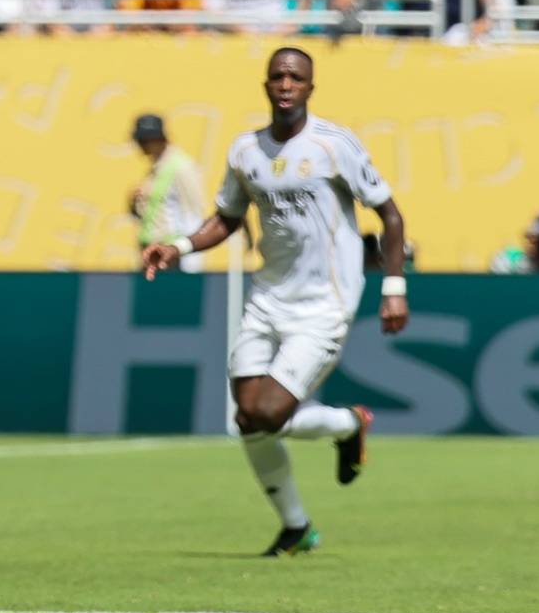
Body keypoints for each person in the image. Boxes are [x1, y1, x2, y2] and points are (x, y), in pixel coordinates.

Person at [139, 46, 408, 557]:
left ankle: (350, 423)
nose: (286, 85)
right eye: (278, 76)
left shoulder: (334, 145)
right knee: (247, 419)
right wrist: (178, 247)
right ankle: (296, 527)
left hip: (324, 302)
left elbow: (389, 215)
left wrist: (394, 289)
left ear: (310, 88)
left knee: (270, 413)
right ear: (266, 85)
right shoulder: (246, 151)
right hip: (267, 297)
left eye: (296, 78)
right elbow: (227, 217)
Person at [128, 110, 206, 260]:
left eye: (145, 140)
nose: (141, 145)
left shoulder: (181, 166)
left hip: (171, 254)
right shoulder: (156, 168)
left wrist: (188, 254)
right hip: (153, 251)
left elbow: (194, 213)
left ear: (160, 139)